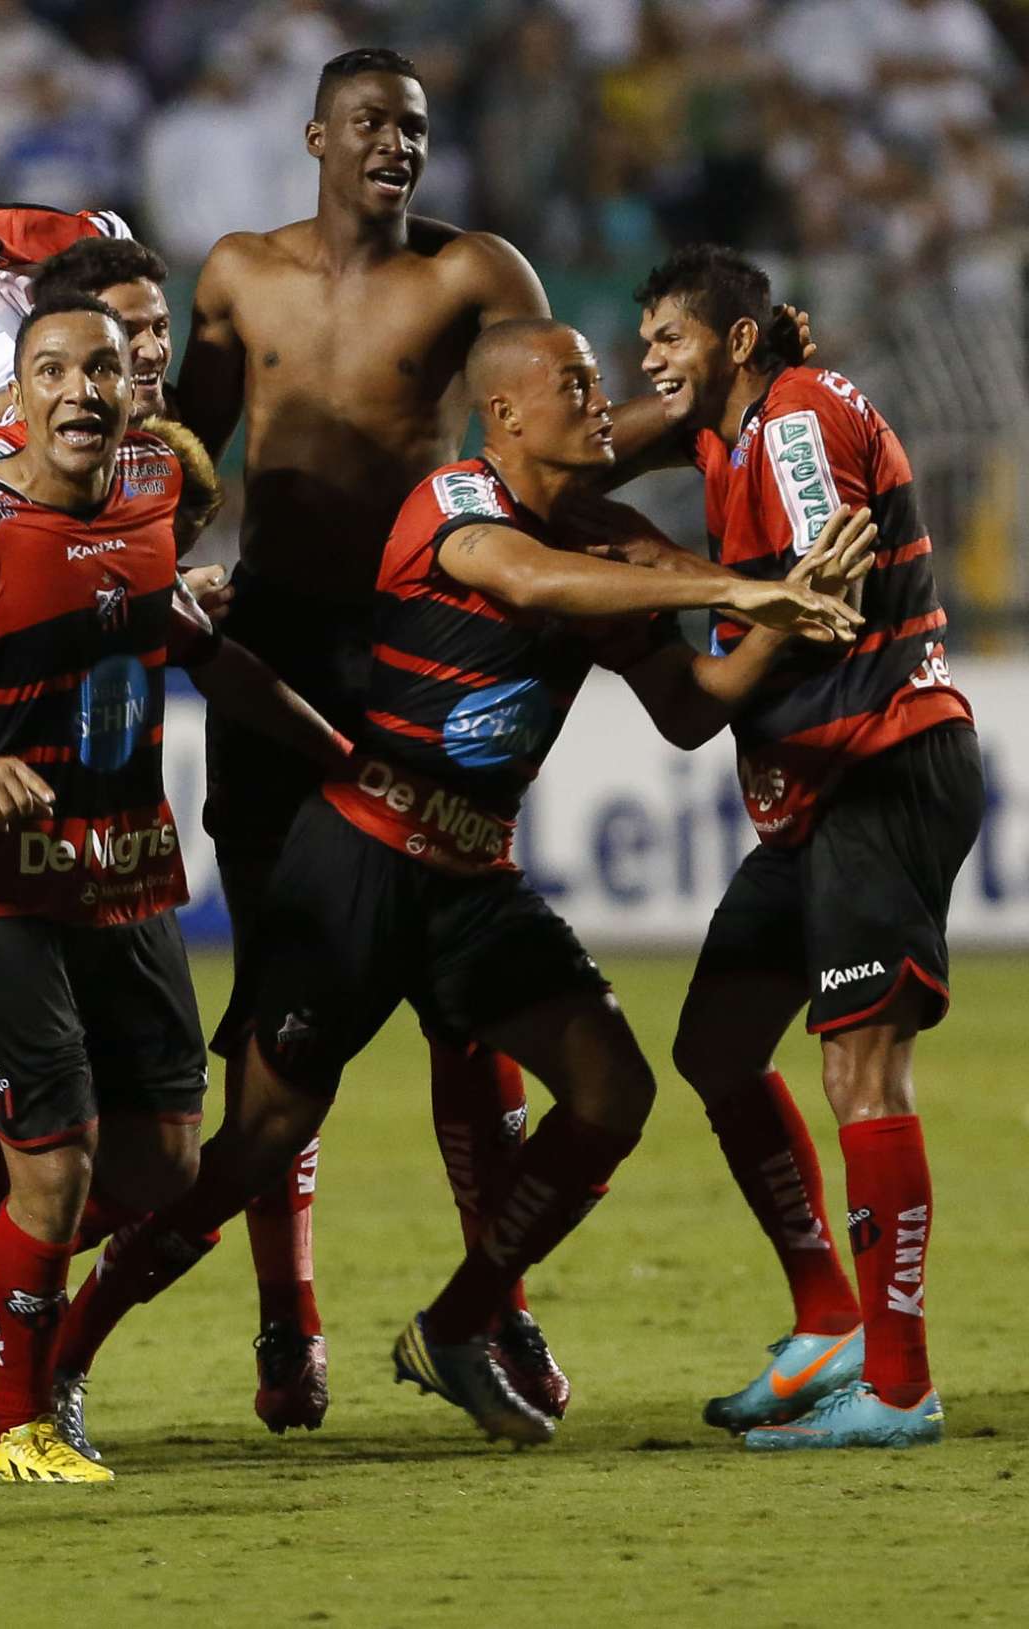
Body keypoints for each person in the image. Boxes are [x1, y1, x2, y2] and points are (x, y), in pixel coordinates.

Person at [48, 317, 866, 1447]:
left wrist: (773, 614)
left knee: (611, 1089)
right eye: (575, 383)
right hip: (359, 861)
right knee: (253, 1145)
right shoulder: (452, 504)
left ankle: (461, 1320)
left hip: (472, 879)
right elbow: (525, 576)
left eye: (597, 381)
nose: (598, 401)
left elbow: (685, 711)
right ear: (506, 415)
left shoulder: (611, 543)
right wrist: (730, 581)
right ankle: (61, 1359)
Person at [0, 297, 349, 1481]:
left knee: (161, 1167)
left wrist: (338, 757)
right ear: (13, 396)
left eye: (101, 370)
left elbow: (184, 638)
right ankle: (16, 1424)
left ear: (130, 390)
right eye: (51, 370)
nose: (79, 391)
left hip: (126, 873)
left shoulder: (151, 493)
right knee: (55, 1166)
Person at [162, 47, 575, 1430]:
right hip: (273, 637)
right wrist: (138, 573)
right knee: (278, 998)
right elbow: (185, 458)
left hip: (417, 644)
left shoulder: (476, 276)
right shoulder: (233, 273)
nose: (395, 143)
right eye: (369, 124)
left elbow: (554, 433)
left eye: (411, 126)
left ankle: (492, 1306)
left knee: (465, 985)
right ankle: (291, 1319)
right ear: (313, 136)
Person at [609, 245, 977, 1449]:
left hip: (881, 765)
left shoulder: (795, 422)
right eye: (644, 336)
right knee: (715, 1045)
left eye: (669, 336)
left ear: (738, 342)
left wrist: (684, 581)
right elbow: (620, 447)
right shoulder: (735, 423)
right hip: (815, 795)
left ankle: (902, 1385)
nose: (650, 356)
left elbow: (829, 597)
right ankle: (828, 1319)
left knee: (859, 1075)